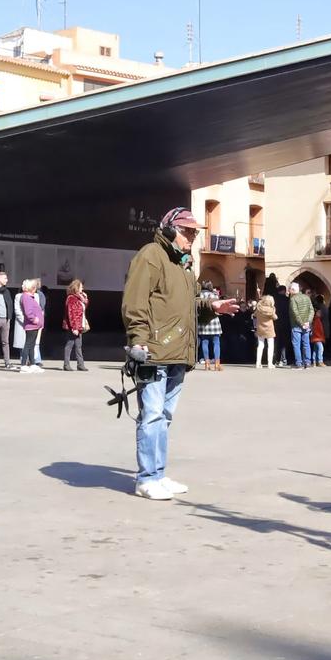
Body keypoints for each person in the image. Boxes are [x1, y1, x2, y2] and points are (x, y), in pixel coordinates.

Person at [122, 207, 234, 500]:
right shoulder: (150, 256)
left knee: (165, 415)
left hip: (178, 352)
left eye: (195, 232)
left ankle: (158, 473)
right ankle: (146, 478)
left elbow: (187, 307)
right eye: (188, 231)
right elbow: (135, 302)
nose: (193, 237)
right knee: (152, 415)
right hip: (154, 352)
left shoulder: (184, 266)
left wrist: (212, 307)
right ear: (170, 229)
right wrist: (138, 339)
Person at [18, 278, 46, 373]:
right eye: (34, 287)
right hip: (31, 325)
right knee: (28, 344)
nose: (35, 289)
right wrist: (35, 319)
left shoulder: (29, 297)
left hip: (35, 325)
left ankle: (33, 364)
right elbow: (28, 312)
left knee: (32, 345)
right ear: (30, 288)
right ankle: (23, 365)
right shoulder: (26, 297)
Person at [62, 278, 90, 371]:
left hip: (79, 325)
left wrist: (85, 298)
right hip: (73, 326)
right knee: (69, 345)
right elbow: (71, 313)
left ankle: (80, 364)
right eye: (81, 286)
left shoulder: (79, 297)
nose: (83, 288)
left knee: (78, 345)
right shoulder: (71, 298)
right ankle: (66, 364)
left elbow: (83, 307)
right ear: (77, 287)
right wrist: (74, 328)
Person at [288, 283, 315, 369]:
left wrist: (301, 323)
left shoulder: (293, 299)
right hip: (306, 325)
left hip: (296, 325)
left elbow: (295, 313)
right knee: (306, 344)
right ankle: (307, 362)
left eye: (290, 290)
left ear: (293, 290)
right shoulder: (307, 298)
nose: (289, 291)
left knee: (296, 344)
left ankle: (299, 363)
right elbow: (312, 310)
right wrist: (308, 322)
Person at [197, 288, 224, 370]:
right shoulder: (214, 295)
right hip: (214, 322)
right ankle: (217, 364)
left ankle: (207, 363)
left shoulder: (199, 296)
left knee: (204, 343)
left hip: (203, 322)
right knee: (216, 343)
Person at [251, 291, 278, 368]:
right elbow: (275, 318)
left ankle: (258, 363)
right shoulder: (271, 310)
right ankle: (270, 363)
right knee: (270, 346)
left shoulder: (259, 308)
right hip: (269, 329)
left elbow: (254, 315)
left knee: (260, 345)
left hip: (260, 328)